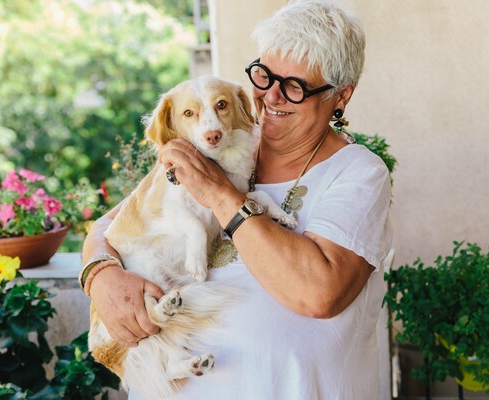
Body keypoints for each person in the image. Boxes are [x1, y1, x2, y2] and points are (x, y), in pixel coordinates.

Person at [81, 0, 392, 398]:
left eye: (295, 86)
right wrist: (101, 273)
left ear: (340, 96)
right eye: (264, 75)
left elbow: (319, 293)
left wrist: (219, 193)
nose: (271, 97)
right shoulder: (230, 142)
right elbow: (121, 218)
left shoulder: (358, 173)